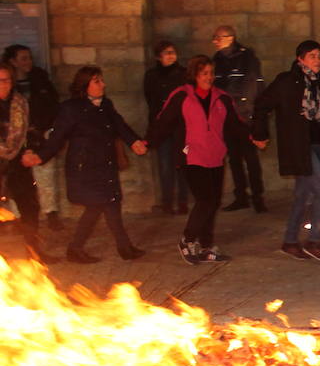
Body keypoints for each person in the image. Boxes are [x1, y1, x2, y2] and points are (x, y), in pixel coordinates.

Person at [22, 66, 148, 263]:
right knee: (100, 205)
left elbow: (120, 125)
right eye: (97, 81)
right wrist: (40, 156)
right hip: (85, 169)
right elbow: (58, 137)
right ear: (85, 85)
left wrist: (134, 142)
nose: (103, 84)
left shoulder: (105, 104)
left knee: (108, 205)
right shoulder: (71, 108)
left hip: (105, 165)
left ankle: (120, 247)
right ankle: (85, 248)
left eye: (101, 80)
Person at [252, 40, 320, 262]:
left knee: (303, 195)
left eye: (319, 55)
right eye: (312, 56)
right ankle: (314, 240)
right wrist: (260, 133)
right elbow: (261, 105)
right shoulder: (286, 81)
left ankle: (290, 241)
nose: (317, 60)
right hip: (298, 147)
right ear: (300, 59)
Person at [147, 54, 246, 264]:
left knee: (214, 202)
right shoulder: (182, 96)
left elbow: (235, 124)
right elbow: (163, 122)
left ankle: (206, 246)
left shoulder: (222, 98)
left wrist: (254, 136)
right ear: (194, 75)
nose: (208, 77)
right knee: (205, 200)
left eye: (211, 73)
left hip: (215, 156)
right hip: (191, 156)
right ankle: (187, 239)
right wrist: (147, 142)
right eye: (204, 74)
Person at [0, 61, 54, 262]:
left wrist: (30, 149)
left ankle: (33, 251)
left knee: (30, 207)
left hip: (17, 164)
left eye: (6, 80)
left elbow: (31, 130)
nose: (3, 84)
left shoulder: (20, 103)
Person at [4, 44, 61, 229]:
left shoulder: (38, 81)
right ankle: (17, 218)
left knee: (43, 178)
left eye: (29, 57)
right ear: (12, 62)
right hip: (9, 150)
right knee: (15, 186)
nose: (28, 62)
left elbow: (51, 104)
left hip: (37, 136)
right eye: (23, 58)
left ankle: (48, 216)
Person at [211, 25, 267, 213]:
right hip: (226, 117)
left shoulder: (246, 58)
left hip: (244, 116)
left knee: (250, 158)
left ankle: (258, 197)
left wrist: (247, 113)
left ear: (230, 38)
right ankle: (241, 196)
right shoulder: (217, 60)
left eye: (218, 37)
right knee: (234, 158)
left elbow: (252, 86)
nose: (215, 41)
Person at [143, 40, 189, 215]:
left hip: (181, 125)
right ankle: (167, 203)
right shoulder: (151, 76)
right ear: (158, 57)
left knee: (182, 164)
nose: (170, 56)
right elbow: (151, 100)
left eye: (173, 52)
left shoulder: (183, 74)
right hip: (162, 126)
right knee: (165, 165)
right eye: (166, 53)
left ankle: (183, 202)